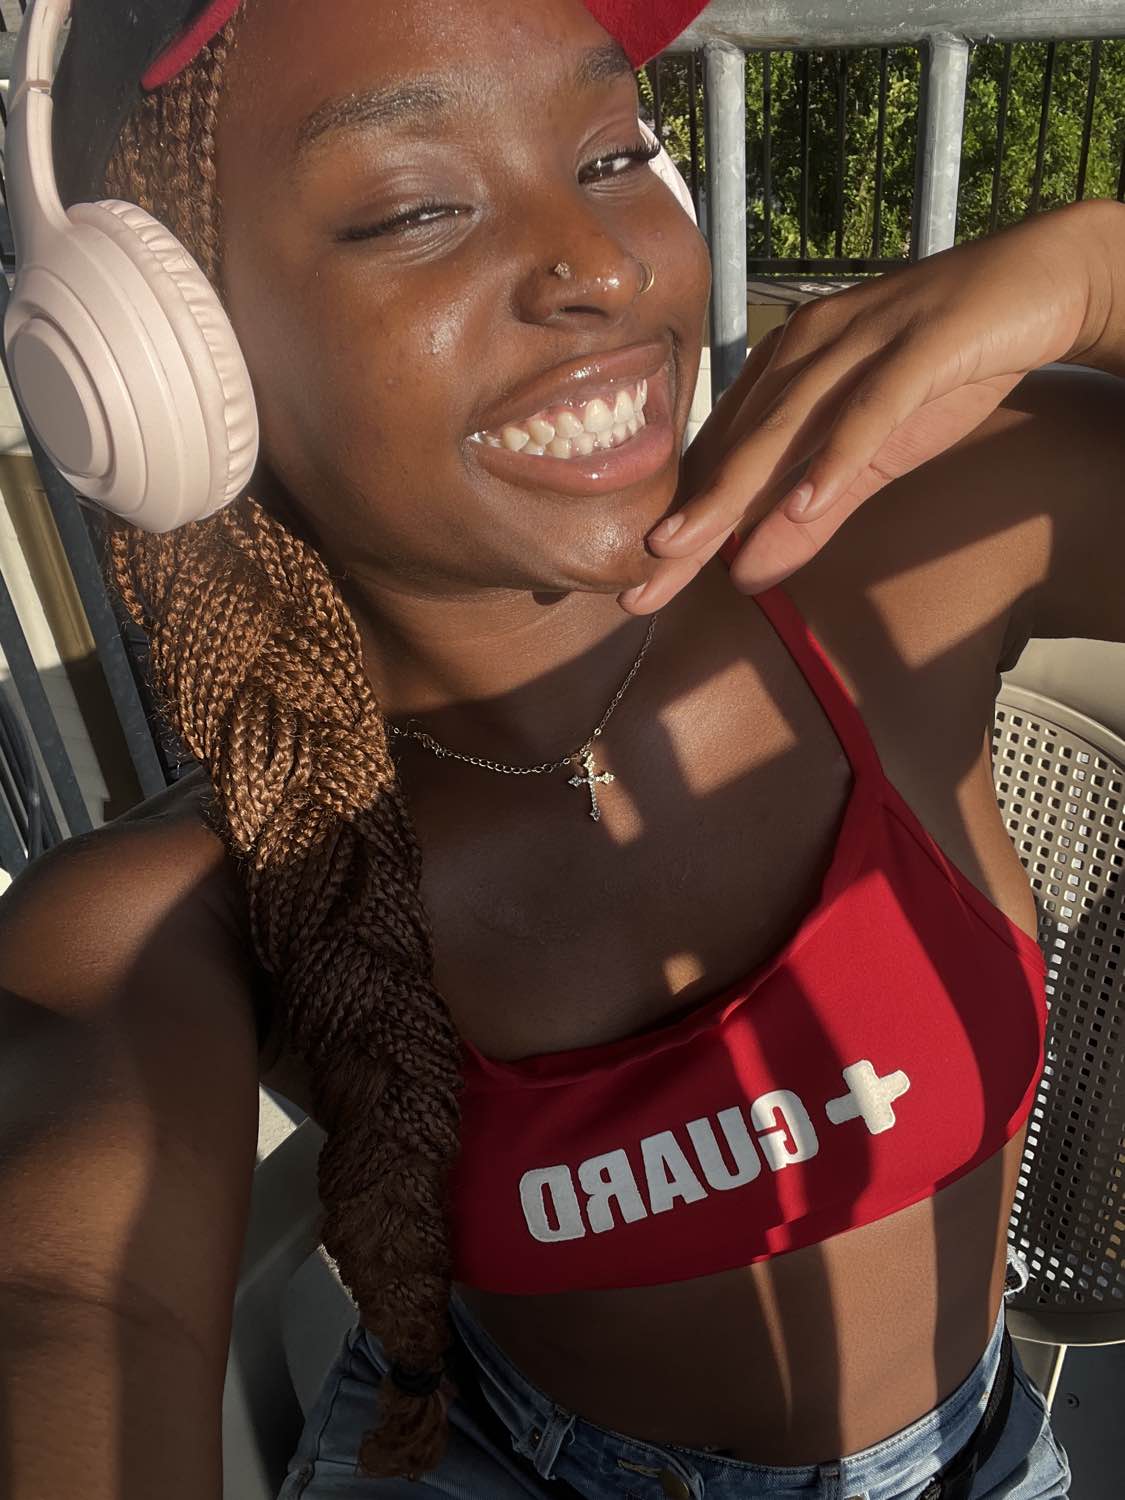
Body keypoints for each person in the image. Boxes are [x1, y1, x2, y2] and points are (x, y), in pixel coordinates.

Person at [1, 1, 1122, 1497]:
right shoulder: (205, 898)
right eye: (416, 209)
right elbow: (75, 1305)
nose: (600, 263)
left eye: (612, 155)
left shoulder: (906, 549)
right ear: (159, 350)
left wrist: (1099, 270)